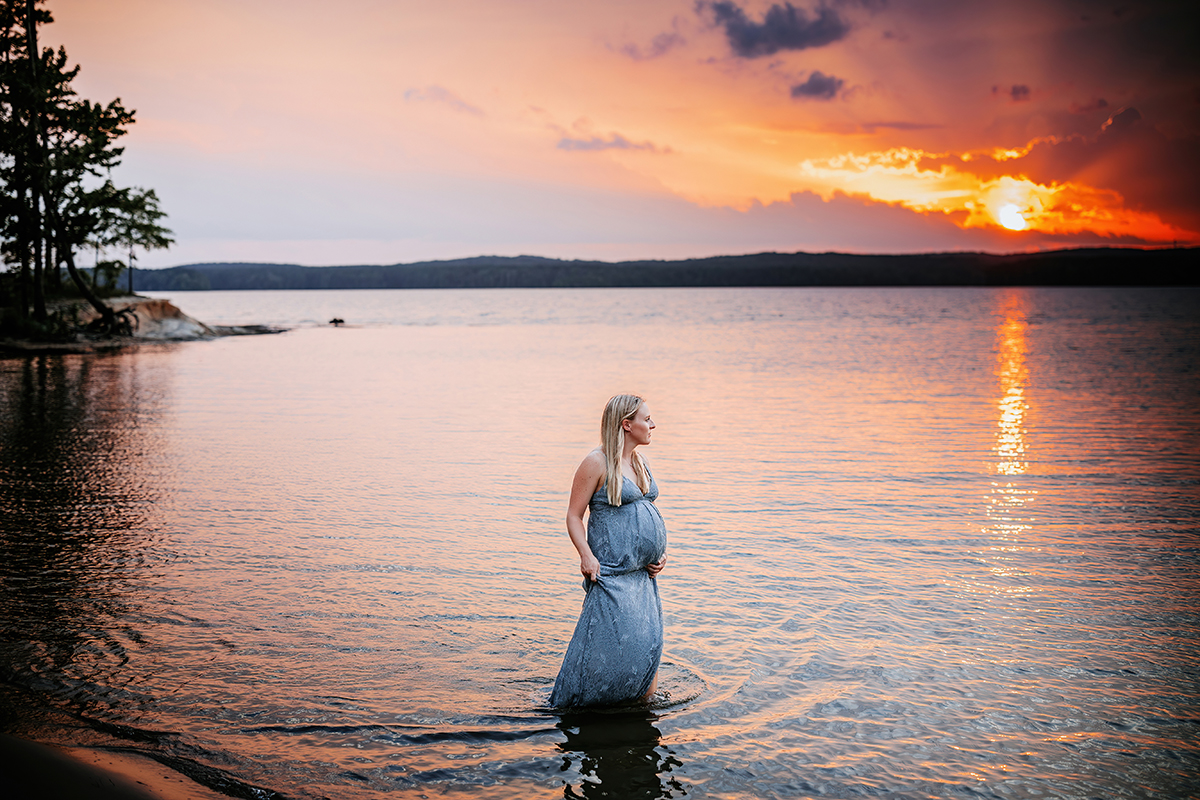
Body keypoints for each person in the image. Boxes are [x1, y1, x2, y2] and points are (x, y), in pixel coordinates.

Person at [549, 394, 668, 708]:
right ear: (627, 425)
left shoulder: (639, 463)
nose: (653, 424)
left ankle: (641, 707)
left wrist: (658, 556)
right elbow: (574, 515)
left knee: (647, 647)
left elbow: (644, 514)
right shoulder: (596, 462)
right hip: (612, 576)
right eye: (646, 419)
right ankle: (586, 708)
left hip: (642, 579)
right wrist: (586, 554)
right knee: (603, 650)